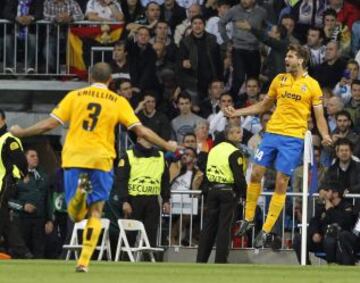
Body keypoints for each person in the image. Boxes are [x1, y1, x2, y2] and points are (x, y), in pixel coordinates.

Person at [10, 62, 177, 272]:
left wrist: (22, 132)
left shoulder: (74, 96)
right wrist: (167, 144)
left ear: (90, 77)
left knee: (76, 216)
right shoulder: (118, 101)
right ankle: (84, 262)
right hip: (101, 159)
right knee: (96, 212)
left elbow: (49, 124)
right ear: (110, 81)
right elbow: (142, 132)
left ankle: (80, 195)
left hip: (75, 157)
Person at [225, 43, 332, 248]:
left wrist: (325, 135)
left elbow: (319, 116)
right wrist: (237, 112)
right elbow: (264, 106)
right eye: (286, 56)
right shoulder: (279, 80)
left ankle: (266, 230)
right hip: (272, 133)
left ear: (301, 60)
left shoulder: (312, 86)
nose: (286, 59)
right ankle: (248, 219)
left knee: (282, 181)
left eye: (290, 56)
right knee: (256, 173)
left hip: (293, 138)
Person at [196, 124, 247, 263]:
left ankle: (201, 260)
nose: (240, 134)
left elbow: (206, 169)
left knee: (208, 227)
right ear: (228, 135)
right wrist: (245, 194)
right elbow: (239, 177)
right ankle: (220, 260)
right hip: (227, 192)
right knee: (224, 227)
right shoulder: (235, 152)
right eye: (237, 132)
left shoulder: (213, 149)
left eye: (240, 132)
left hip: (212, 190)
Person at [116, 137, 170, 249]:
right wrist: (125, 201)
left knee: (151, 236)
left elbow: (165, 180)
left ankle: (149, 262)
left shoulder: (160, 156)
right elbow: (121, 180)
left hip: (152, 201)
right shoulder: (128, 155)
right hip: (133, 201)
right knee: (130, 235)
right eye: (146, 137)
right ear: (139, 139)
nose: (149, 139)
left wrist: (166, 200)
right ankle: (125, 262)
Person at [0, 109, 29, 259]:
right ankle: (22, 251)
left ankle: (21, 251)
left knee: (1, 215)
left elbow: (21, 161)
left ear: (3, 120)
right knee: (4, 219)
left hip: (5, 183)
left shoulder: (9, 139)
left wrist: (24, 175)